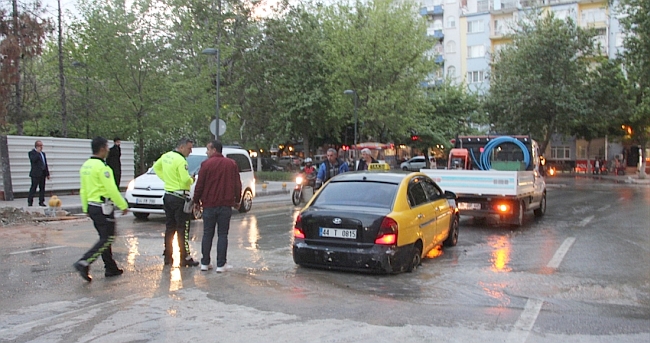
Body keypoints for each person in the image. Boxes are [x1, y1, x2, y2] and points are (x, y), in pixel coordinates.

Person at [73, 137, 129, 282]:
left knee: (105, 237)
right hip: (103, 207)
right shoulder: (103, 168)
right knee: (107, 238)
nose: (109, 150)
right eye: (107, 147)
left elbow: (83, 190)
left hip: (92, 206)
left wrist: (85, 207)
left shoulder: (85, 166)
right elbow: (111, 189)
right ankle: (84, 262)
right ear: (103, 148)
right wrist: (123, 205)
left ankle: (111, 267)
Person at [192, 140, 241, 273]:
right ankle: (221, 264)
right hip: (225, 205)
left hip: (208, 205)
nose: (206, 152)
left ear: (214, 150)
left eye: (208, 149)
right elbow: (237, 184)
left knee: (207, 233)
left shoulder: (206, 165)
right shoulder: (231, 164)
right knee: (222, 234)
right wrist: (237, 200)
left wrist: (196, 201)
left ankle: (205, 263)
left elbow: (200, 185)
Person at [153, 138, 199, 267]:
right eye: (189, 148)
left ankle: (168, 256)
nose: (190, 151)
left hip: (168, 195)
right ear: (182, 147)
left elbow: (156, 167)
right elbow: (185, 180)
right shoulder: (181, 160)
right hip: (179, 197)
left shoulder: (166, 156)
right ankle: (185, 257)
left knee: (170, 227)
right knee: (182, 228)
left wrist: (166, 179)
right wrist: (191, 180)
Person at [28, 140, 50, 207]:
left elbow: (45, 164)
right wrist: (37, 153)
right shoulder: (32, 153)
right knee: (33, 188)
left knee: (42, 188)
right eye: (40, 146)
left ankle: (41, 201)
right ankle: (30, 201)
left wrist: (47, 173)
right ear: (36, 146)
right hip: (35, 174)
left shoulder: (43, 154)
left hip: (42, 173)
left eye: (41, 146)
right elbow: (33, 160)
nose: (41, 147)